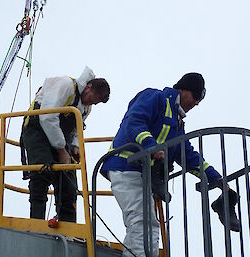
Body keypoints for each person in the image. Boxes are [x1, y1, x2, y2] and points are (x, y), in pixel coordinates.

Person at [100, 73, 239, 257]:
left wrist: (217, 179)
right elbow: (134, 123)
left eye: (199, 100)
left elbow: (188, 156)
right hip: (125, 166)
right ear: (182, 89)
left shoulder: (177, 124)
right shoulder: (155, 97)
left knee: (150, 225)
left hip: (142, 175)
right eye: (196, 96)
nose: (197, 103)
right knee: (141, 221)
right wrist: (151, 146)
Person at [21, 66, 110, 224]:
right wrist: (62, 150)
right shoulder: (66, 86)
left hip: (58, 135)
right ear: (88, 86)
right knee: (41, 172)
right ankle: (36, 224)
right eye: (91, 98)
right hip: (37, 129)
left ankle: (68, 227)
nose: (90, 103)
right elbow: (47, 116)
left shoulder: (85, 108)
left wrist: (74, 146)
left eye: (94, 103)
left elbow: (76, 129)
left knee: (68, 181)